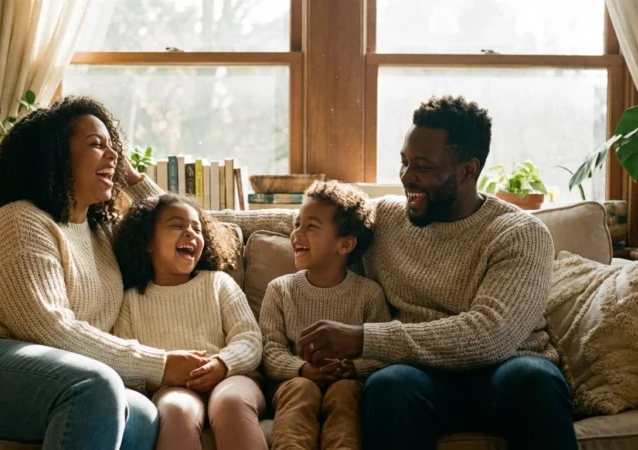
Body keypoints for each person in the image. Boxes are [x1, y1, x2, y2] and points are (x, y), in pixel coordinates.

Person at [211, 96, 578, 450]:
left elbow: (490, 335)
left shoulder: (520, 234)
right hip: (420, 376)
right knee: (389, 383)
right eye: (404, 162)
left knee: (535, 380)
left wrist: (363, 339)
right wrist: (176, 217)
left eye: (423, 167)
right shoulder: (388, 216)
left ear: (468, 169)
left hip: (506, 372)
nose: (407, 177)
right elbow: (316, 221)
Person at [0, 96, 208, 450]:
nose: (113, 156)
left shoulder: (100, 232)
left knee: (143, 413)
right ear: (55, 155)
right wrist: (158, 364)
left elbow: (175, 226)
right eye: (96, 145)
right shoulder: (21, 221)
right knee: (95, 386)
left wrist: (131, 178)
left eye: (114, 148)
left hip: (51, 372)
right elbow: (49, 329)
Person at [113, 194, 267, 450]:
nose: (190, 233)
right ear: (148, 242)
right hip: (172, 389)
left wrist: (222, 364)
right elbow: (127, 367)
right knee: (176, 410)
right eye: (177, 225)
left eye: (197, 229)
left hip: (232, 378)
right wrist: (163, 375)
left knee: (230, 402)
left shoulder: (218, 283)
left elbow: (249, 338)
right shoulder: (131, 301)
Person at [259, 180, 390, 450]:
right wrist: (302, 370)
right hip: (293, 383)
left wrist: (353, 369)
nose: (297, 234)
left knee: (344, 393)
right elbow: (269, 351)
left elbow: (382, 354)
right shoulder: (280, 290)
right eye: (297, 224)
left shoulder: (368, 294)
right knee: (301, 389)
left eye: (311, 226)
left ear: (345, 245)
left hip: (346, 384)